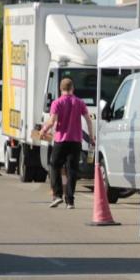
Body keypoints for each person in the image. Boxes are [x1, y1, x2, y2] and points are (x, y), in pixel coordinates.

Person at [38, 77, 93, 210]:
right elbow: (88, 120)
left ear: (60, 89)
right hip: (76, 141)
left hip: (61, 140)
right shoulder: (79, 102)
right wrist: (91, 136)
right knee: (72, 170)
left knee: (54, 165)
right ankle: (70, 201)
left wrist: (43, 130)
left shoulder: (57, 103)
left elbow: (52, 121)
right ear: (72, 88)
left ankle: (57, 195)